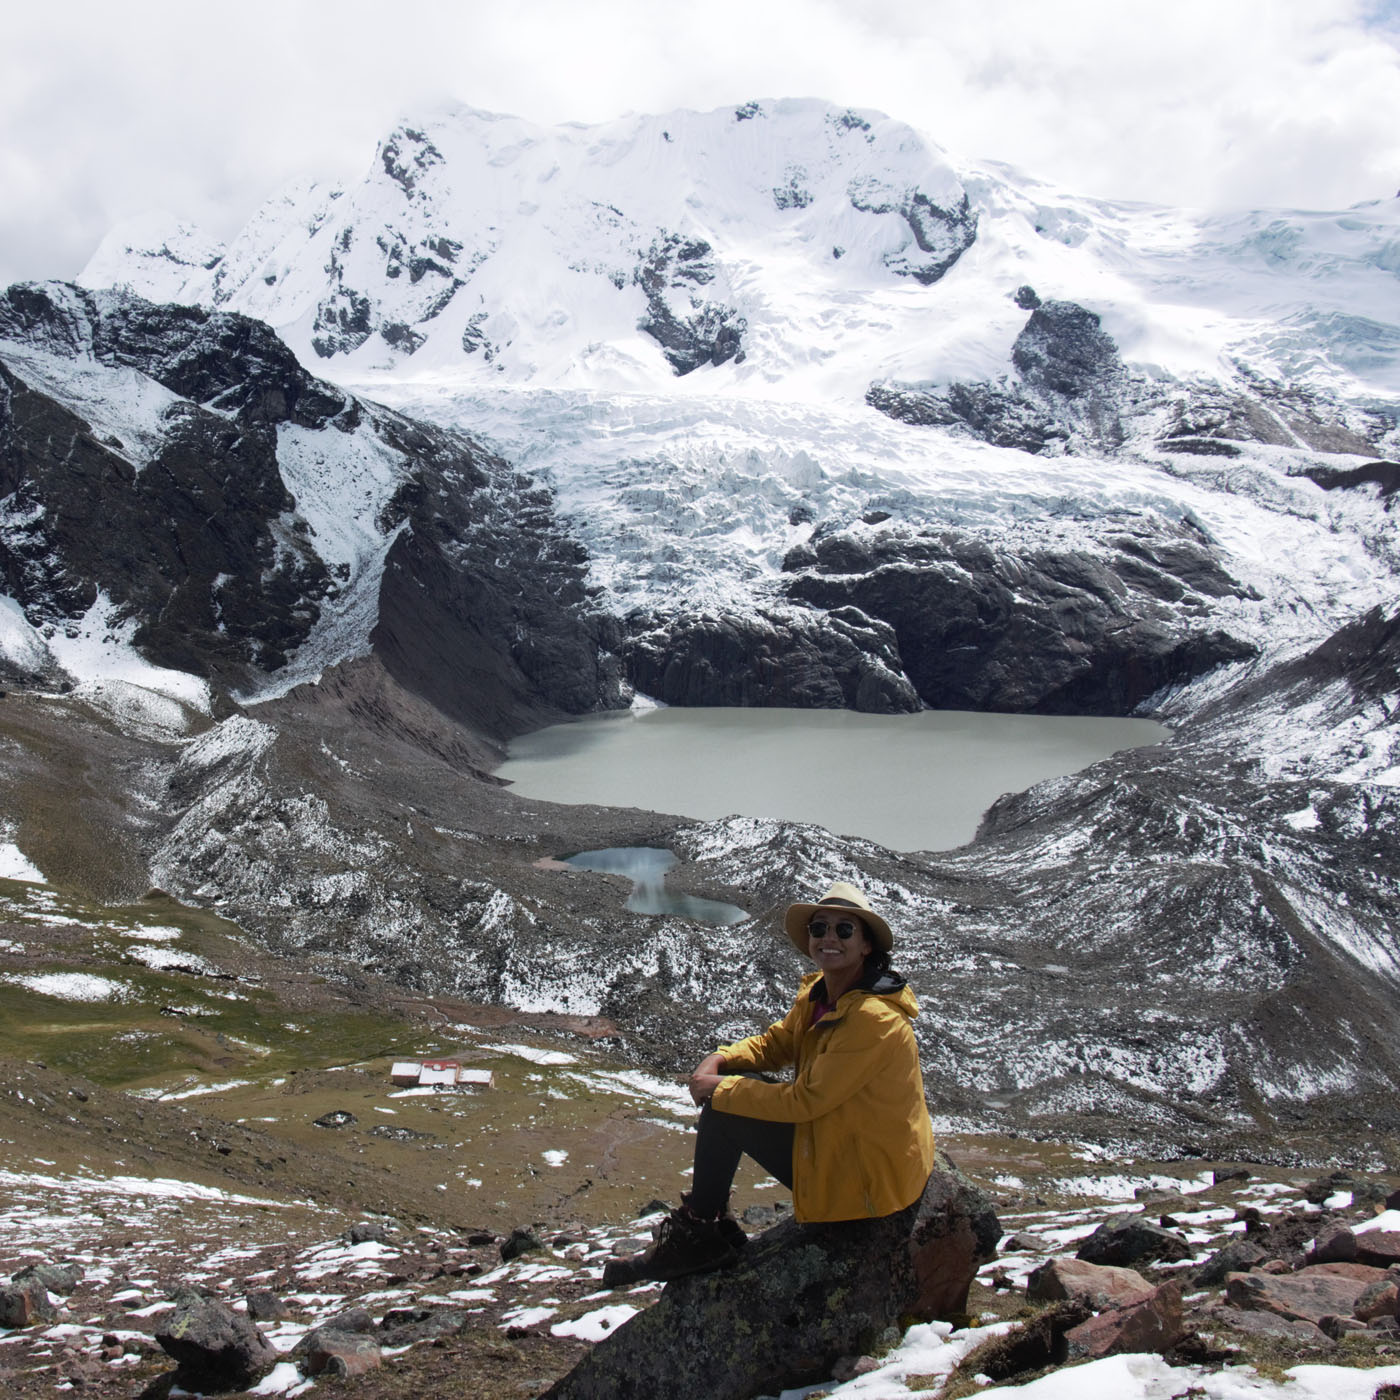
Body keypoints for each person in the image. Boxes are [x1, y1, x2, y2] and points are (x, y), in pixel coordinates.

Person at [604, 880, 935, 1285]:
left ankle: (700, 1232)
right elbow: (777, 1044)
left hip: (865, 1178)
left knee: (726, 1107)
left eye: (844, 930)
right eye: (820, 928)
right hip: (846, 1142)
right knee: (733, 1087)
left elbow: (806, 1101)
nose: (829, 938)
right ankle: (709, 1224)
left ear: (867, 945)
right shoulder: (822, 994)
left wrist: (719, 1089)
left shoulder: (872, 1018)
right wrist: (722, 1058)